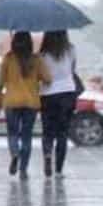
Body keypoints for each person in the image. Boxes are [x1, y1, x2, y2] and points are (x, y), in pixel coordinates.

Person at [0, 32, 52, 179]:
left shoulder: (8, 58)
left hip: (11, 102)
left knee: (13, 134)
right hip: (30, 103)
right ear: (30, 43)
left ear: (14, 43)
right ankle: (23, 170)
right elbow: (48, 79)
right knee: (26, 136)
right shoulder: (36, 59)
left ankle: (15, 154)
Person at [39, 30, 78, 178]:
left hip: (47, 95)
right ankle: (59, 170)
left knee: (47, 132)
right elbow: (73, 69)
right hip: (67, 92)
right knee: (62, 133)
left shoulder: (42, 54)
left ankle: (48, 154)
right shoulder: (71, 49)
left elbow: (41, 75)